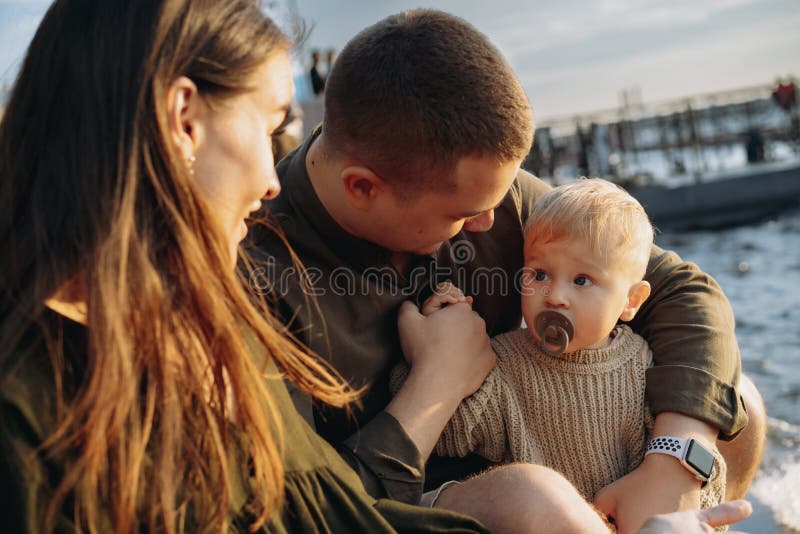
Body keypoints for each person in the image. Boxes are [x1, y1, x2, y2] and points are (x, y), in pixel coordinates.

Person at [249, 9, 766, 533]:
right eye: (462, 213)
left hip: (536, 445)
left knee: (738, 407)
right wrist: (436, 386)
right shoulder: (255, 274)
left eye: (499, 197)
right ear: (363, 188)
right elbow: (302, 512)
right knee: (534, 500)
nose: (490, 222)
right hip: (401, 505)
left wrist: (674, 458)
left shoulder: (488, 195)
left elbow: (680, 289)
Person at [0, 1, 492, 531]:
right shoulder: (24, 418)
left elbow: (326, 510)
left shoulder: (211, 314)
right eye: (268, 127)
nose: (271, 179)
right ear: (182, 119)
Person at [391, 178, 725, 513]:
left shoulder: (643, 363)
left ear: (631, 300)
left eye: (582, 280)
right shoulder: (504, 363)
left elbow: (693, 472)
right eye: (539, 275)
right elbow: (449, 432)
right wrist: (428, 354)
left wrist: (686, 501)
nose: (555, 297)